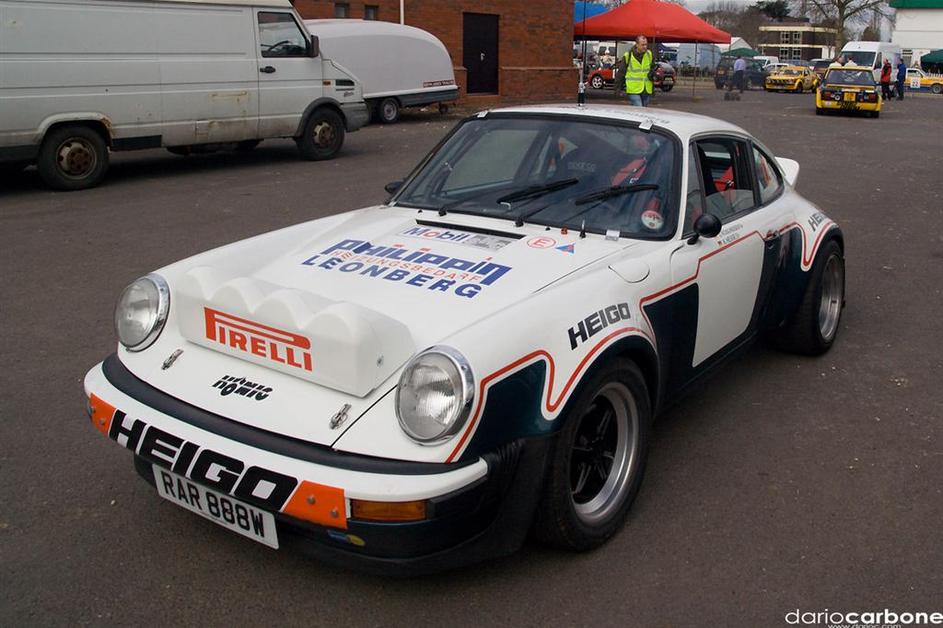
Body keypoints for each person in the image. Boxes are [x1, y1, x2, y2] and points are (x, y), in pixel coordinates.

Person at [623, 35, 654, 106]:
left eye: (646, 44)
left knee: (642, 110)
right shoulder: (628, 55)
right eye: (642, 45)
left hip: (646, 89)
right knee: (639, 107)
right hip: (633, 89)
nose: (645, 47)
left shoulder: (649, 54)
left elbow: (652, 67)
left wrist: (653, 73)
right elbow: (621, 72)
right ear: (637, 45)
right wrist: (617, 89)